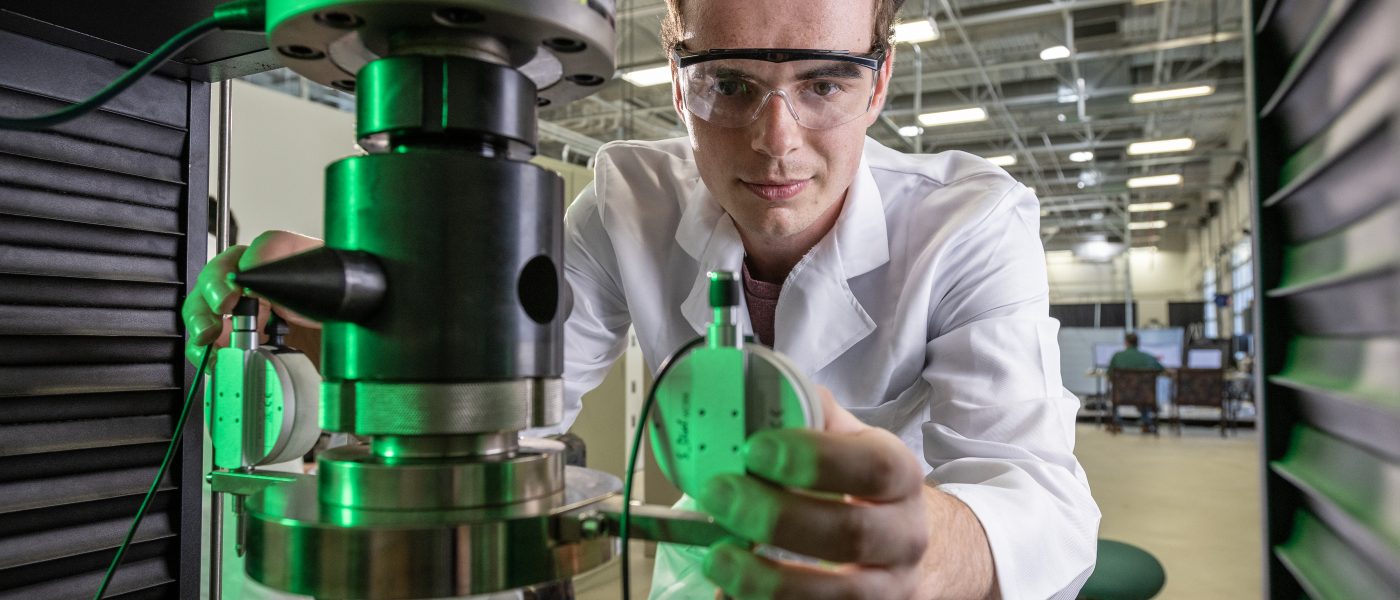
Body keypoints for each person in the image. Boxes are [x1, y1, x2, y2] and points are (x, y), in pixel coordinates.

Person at [183, 0, 1100, 597]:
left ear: (880, 82)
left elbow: (1042, 505)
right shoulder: (629, 199)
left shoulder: (971, 222)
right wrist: (366, 346)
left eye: (823, 84)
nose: (775, 142)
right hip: (705, 576)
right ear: (676, 78)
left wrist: (918, 552)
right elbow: (522, 415)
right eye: (728, 87)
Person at [1107, 333, 1166, 434]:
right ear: (1138, 343)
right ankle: (1146, 423)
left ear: (1126, 343)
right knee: (1143, 390)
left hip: (1121, 396)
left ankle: (1116, 423)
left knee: (1113, 391)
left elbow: (1110, 376)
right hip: (1144, 397)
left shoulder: (1117, 356)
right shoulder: (1148, 357)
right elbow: (1162, 370)